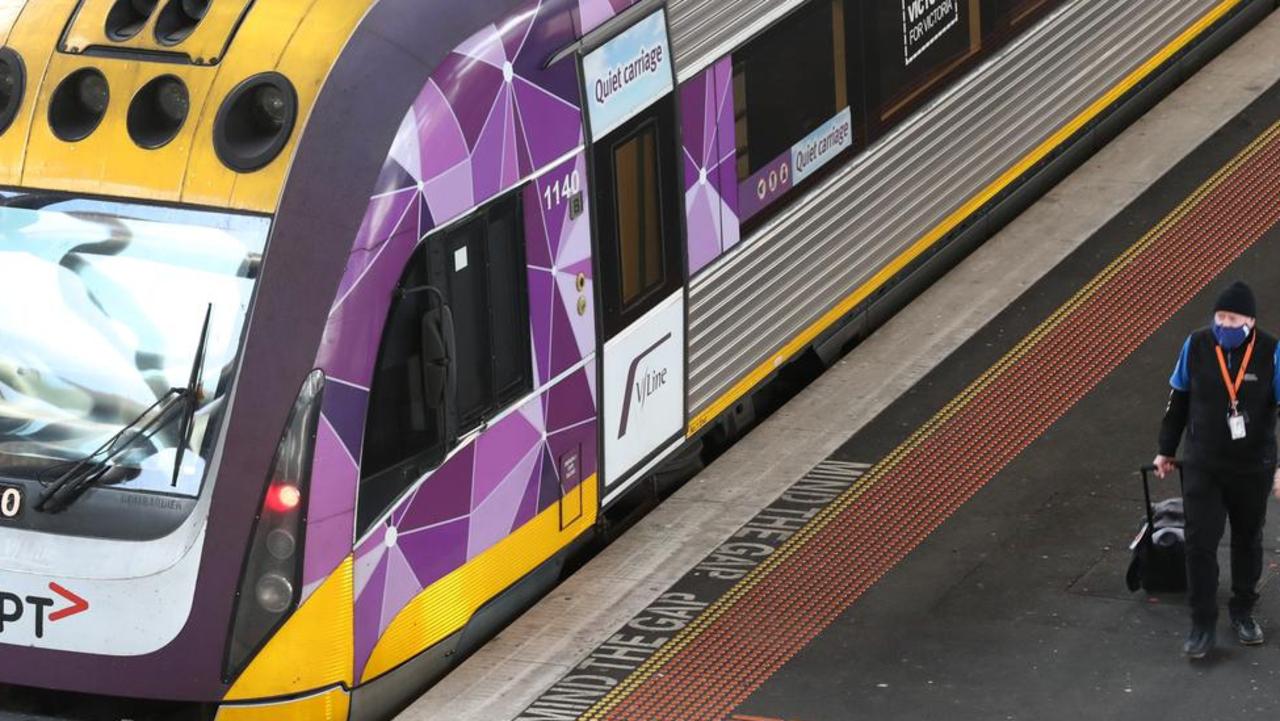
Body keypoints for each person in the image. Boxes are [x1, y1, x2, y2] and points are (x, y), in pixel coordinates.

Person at [1154, 281, 1280, 659]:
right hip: (1202, 464)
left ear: (1251, 321)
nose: (1225, 324)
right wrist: (1165, 450)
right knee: (1199, 543)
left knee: (1247, 538)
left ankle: (1242, 609)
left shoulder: (1272, 352)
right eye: (1221, 317)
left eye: (1233, 318)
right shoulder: (1196, 345)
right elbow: (1179, 400)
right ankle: (1202, 624)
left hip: (1251, 467)